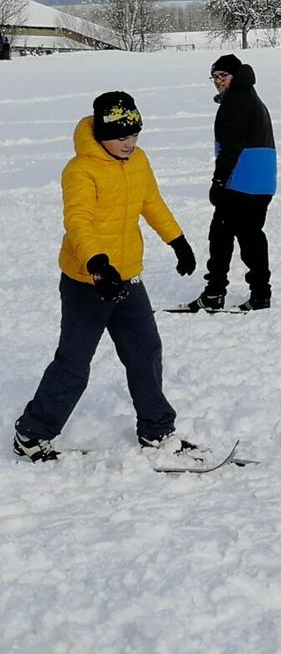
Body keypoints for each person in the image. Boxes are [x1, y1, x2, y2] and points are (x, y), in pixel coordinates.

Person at [12, 92, 198, 462]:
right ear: (100, 134)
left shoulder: (138, 160)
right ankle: (31, 434)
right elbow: (78, 221)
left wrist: (177, 240)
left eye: (135, 135)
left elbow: (151, 201)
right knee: (74, 363)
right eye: (121, 137)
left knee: (145, 353)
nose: (130, 144)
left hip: (128, 276)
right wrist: (98, 265)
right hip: (88, 281)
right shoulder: (80, 169)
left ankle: (157, 429)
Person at [181, 54, 277, 313]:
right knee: (246, 236)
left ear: (235, 76)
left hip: (242, 181)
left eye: (223, 76)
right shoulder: (251, 98)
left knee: (223, 235)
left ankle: (217, 293)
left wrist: (219, 179)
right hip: (261, 181)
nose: (218, 82)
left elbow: (232, 145)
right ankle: (258, 294)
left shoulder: (236, 101)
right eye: (214, 77)